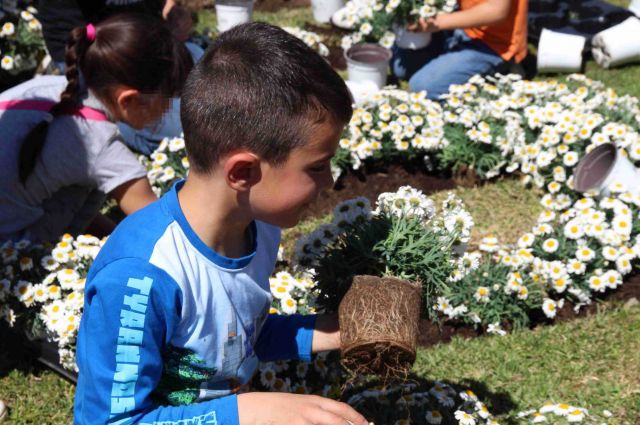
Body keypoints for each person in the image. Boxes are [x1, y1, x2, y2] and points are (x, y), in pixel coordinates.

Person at [73, 22, 368, 425]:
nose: (329, 181)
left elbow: (235, 337)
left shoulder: (258, 226)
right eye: (316, 166)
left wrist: (328, 333)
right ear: (243, 173)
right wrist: (244, 412)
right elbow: (111, 421)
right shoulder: (140, 277)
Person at [0, 13, 193, 242]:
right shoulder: (100, 145)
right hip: (10, 253)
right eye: (167, 99)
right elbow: (165, 231)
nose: (168, 109)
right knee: (88, 186)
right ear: (128, 100)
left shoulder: (53, 87)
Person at [37, 0, 200, 155]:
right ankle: (112, 118)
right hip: (96, 56)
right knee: (192, 129)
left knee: (208, 68)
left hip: (149, 43)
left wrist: (171, 8)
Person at [392, 0, 528, 99]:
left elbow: (497, 11)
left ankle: (503, 72)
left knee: (422, 87)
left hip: (493, 42)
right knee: (400, 66)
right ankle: (449, 61)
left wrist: (437, 23)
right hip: (460, 26)